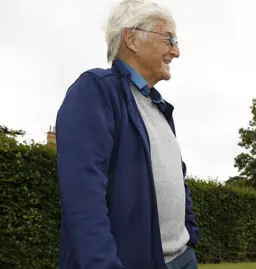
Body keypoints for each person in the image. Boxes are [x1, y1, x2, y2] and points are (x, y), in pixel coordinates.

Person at [55, 1, 199, 268]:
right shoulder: (95, 91)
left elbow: (178, 177)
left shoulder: (160, 107)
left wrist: (190, 233)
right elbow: (83, 198)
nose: (176, 51)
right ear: (131, 38)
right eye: (169, 38)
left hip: (183, 257)